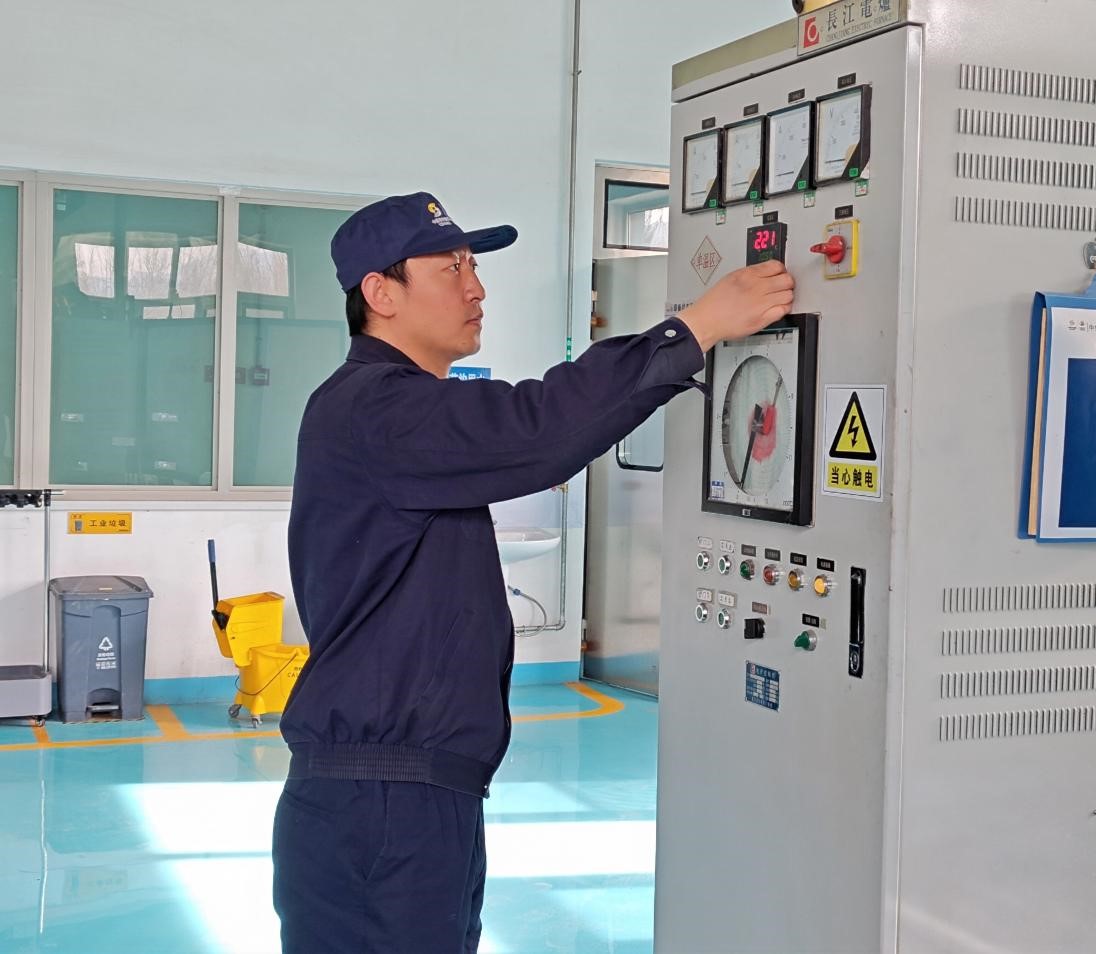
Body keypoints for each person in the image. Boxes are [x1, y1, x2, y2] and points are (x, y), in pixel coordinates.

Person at [273, 191, 795, 952]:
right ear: (380, 293)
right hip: (381, 804)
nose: (476, 288)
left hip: (413, 794)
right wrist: (697, 328)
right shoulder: (375, 409)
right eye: (451, 269)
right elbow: (539, 426)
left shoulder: (390, 408)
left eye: (474, 267)